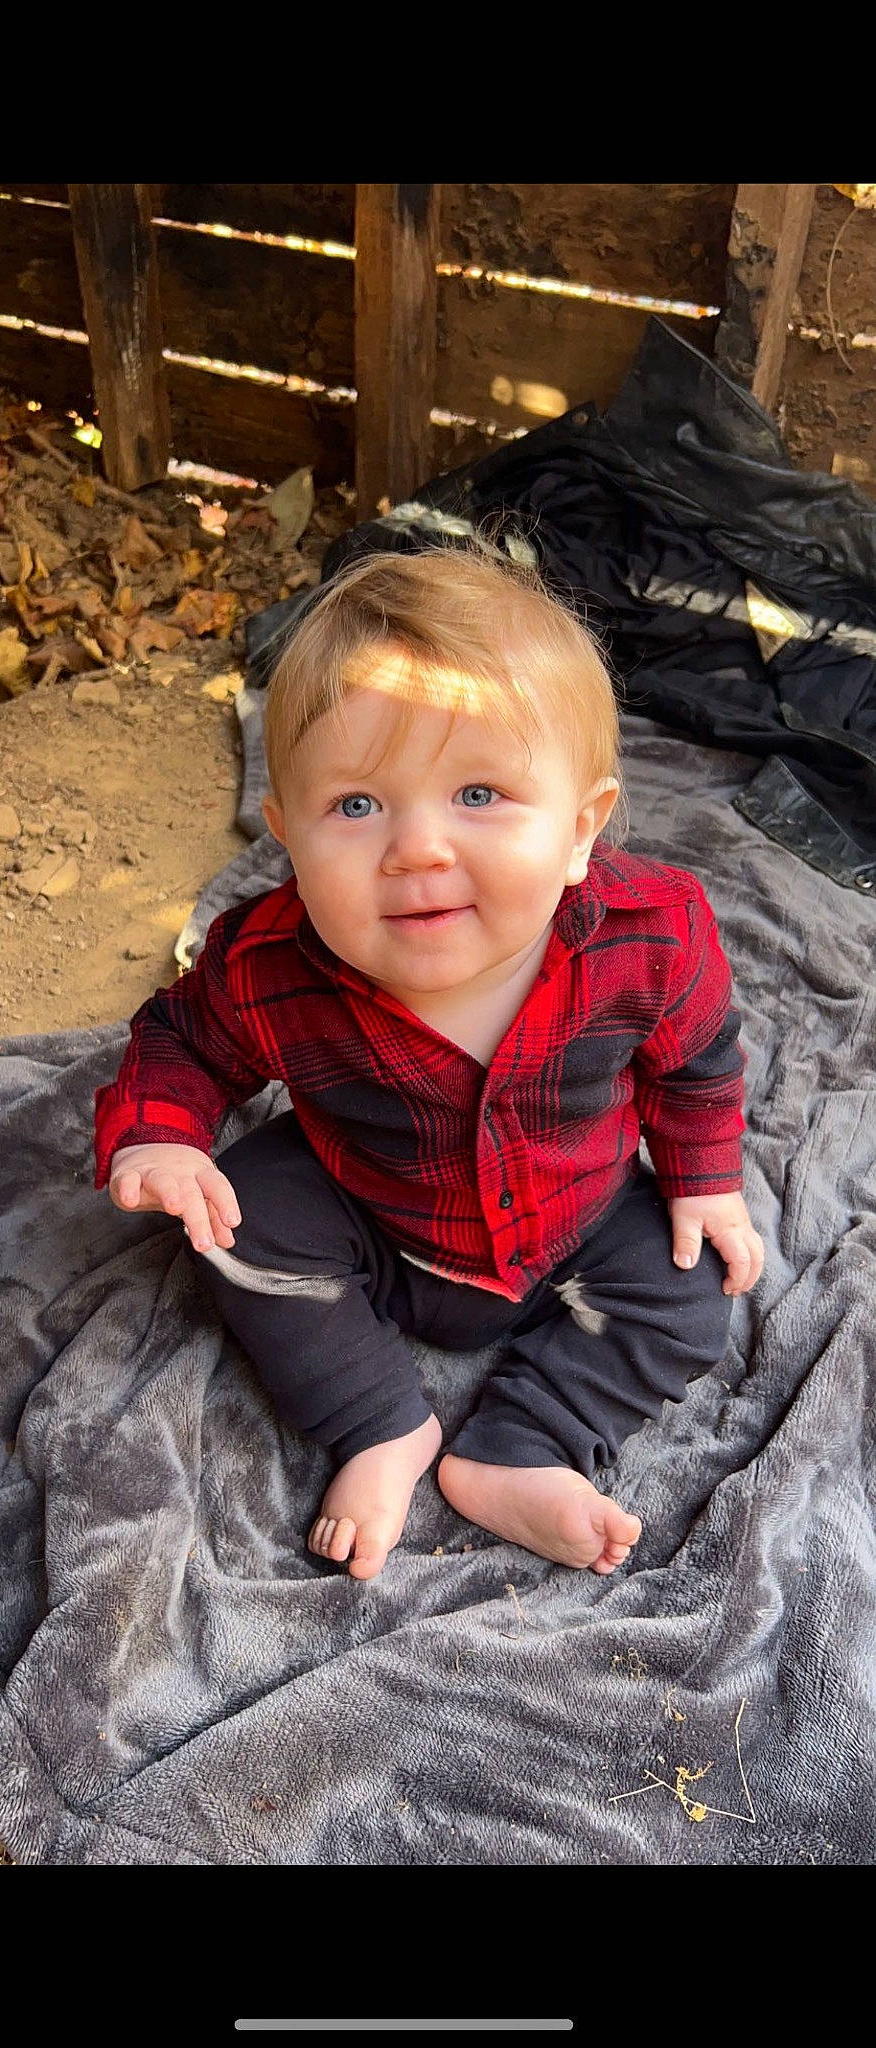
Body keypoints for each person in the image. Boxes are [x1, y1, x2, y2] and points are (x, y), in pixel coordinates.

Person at [94, 541, 764, 1583]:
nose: (416, 848)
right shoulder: (271, 966)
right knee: (240, 1213)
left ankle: (525, 1444)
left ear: (580, 829)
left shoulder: (652, 938)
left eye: (480, 793)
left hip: (573, 1231)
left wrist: (706, 1177)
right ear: (286, 840)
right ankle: (378, 1423)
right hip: (373, 1222)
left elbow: (698, 1062)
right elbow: (179, 1039)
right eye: (356, 806)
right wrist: (163, 1134)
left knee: (693, 1286)